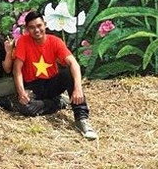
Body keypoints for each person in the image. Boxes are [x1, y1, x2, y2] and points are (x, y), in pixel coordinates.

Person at [13, 11, 98, 140]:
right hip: (33, 86)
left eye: (39, 26)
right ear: (27, 29)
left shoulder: (55, 41)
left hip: (52, 83)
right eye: (32, 27)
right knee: (23, 107)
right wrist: (21, 92)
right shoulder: (23, 41)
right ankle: (57, 103)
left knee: (68, 73)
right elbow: (17, 69)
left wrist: (78, 88)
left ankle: (82, 119)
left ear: (45, 25)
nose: (36, 30)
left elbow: (73, 63)